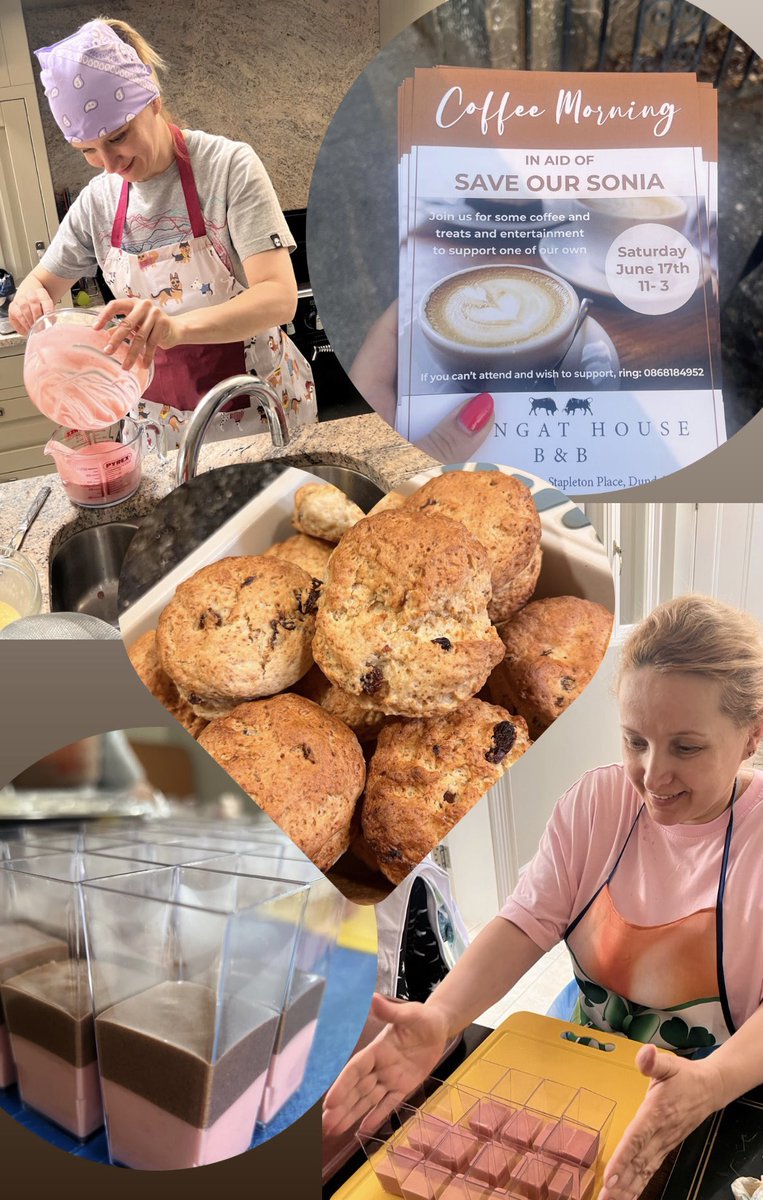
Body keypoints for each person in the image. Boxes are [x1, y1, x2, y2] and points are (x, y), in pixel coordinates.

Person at [323, 595, 763, 1200]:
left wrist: (709, 1084)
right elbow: (527, 920)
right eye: (635, 741)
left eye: (686, 748)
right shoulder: (598, 804)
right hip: (585, 1060)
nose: (653, 776)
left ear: (751, 737)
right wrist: (443, 1016)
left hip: (728, 1097)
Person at [9, 18, 314, 447]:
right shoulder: (97, 201)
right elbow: (43, 282)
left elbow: (279, 297)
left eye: (118, 137)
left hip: (256, 413)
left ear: (152, 98)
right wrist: (29, 295)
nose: (110, 164)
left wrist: (175, 329)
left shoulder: (228, 168)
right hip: (159, 429)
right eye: (88, 152)